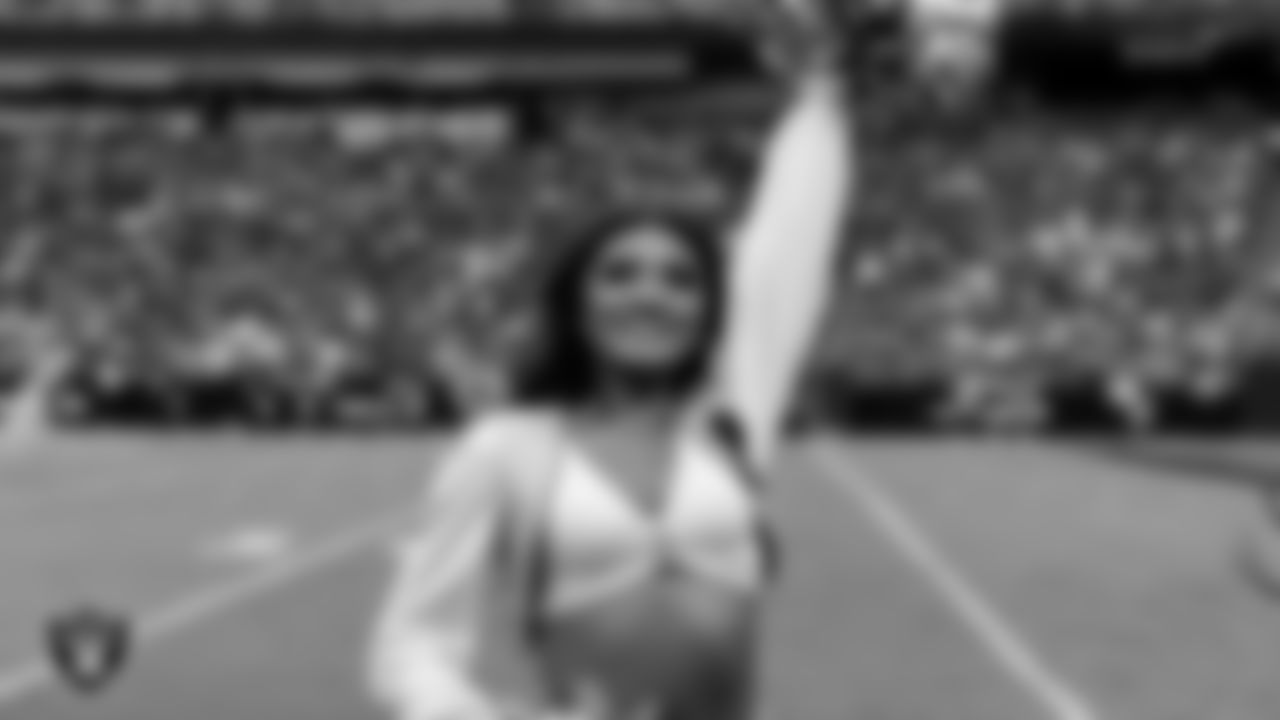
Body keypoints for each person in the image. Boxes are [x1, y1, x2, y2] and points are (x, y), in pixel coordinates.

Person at [366, 8, 854, 720]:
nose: (650, 295)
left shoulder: (731, 419)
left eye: (680, 279)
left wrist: (820, 99)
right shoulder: (507, 449)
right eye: (619, 274)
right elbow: (411, 641)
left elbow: (790, 243)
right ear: (577, 303)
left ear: (710, 313)